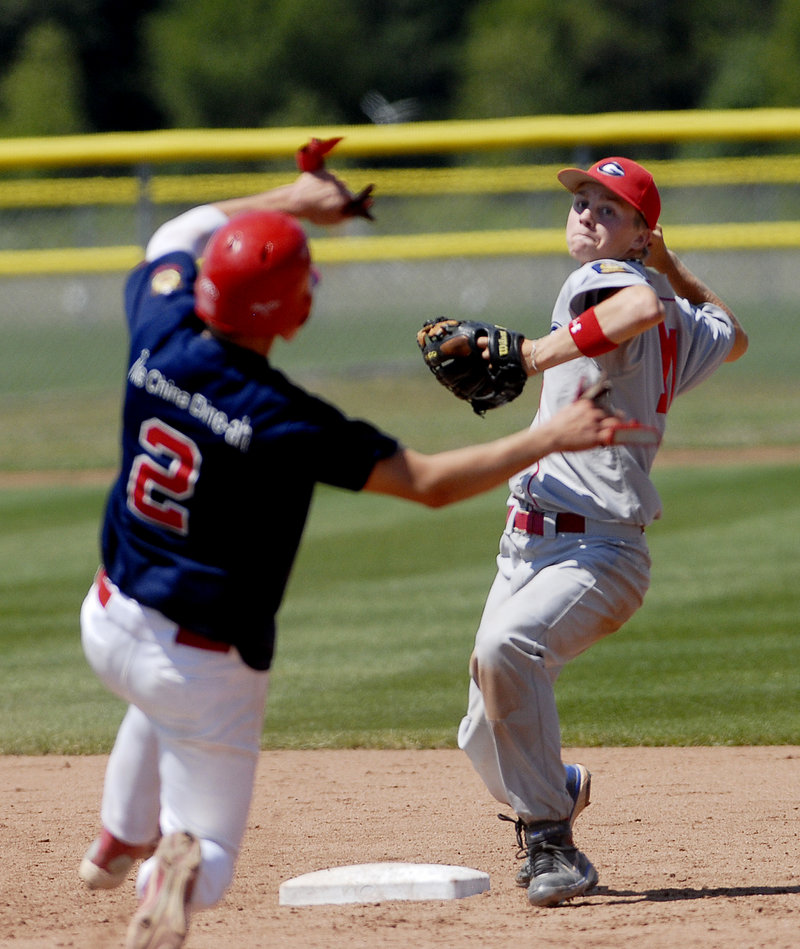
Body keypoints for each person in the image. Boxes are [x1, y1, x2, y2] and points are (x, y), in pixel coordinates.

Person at [78, 163, 621, 949]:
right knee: (214, 843)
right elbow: (429, 483)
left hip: (109, 617)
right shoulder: (283, 417)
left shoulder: (158, 323)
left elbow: (176, 233)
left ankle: (114, 840)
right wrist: (548, 435)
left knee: (149, 696)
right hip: (203, 667)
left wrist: (291, 202)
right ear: (290, 315)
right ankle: (169, 873)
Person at [456, 156, 748, 908]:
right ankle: (560, 786)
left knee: (506, 649)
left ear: (637, 235)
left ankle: (552, 839)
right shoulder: (675, 310)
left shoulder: (607, 283)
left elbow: (634, 311)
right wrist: (671, 262)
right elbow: (733, 333)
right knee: (480, 731)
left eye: (608, 208)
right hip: (531, 544)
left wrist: (528, 355)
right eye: (582, 199)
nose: (586, 212)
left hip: (595, 545)